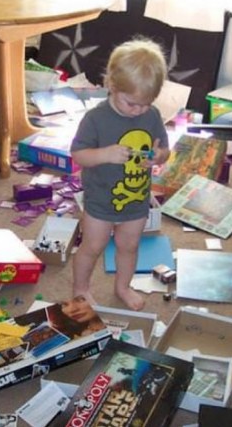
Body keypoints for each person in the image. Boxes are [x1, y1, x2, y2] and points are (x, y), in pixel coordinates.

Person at [70, 37, 171, 310]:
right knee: (92, 246)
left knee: (130, 246)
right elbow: (78, 154)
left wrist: (159, 156)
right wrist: (105, 154)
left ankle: (123, 287)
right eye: (131, 103)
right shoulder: (95, 119)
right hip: (101, 200)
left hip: (136, 199)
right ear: (112, 86)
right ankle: (81, 289)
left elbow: (164, 150)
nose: (138, 110)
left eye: (145, 104)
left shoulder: (152, 116)